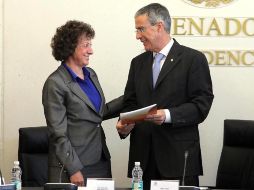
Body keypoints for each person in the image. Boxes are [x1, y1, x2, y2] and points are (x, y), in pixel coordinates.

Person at [116, 3, 214, 190]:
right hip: (143, 161)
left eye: (141, 29)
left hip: (178, 160)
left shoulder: (193, 59)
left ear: (159, 26)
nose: (137, 36)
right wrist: (126, 124)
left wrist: (167, 115)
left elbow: (201, 105)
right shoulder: (137, 63)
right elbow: (130, 102)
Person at [42, 20, 123, 186]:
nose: (91, 51)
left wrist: (131, 97)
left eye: (90, 44)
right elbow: (58, 134)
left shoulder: (91, 74)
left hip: (100, 159)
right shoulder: (55, 83)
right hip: (74, 164)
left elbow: (97, 113)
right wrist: (73, 168)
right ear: (70, 47)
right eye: (86, 45)